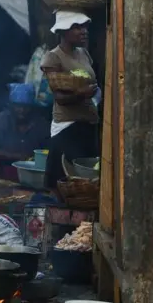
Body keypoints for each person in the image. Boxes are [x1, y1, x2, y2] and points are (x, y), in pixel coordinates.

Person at [41, 12, 100, 189]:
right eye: (77, 27)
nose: (84, 31)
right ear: (63, 31)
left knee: (88, 180)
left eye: (84, 27)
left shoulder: (83, 54)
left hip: (88, 125)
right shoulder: (53, 57)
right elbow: (59, 97)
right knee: (66, 180)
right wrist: (82, 93)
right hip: (68, 128)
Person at [0, 83, 50, 181]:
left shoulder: (41, 125)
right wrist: (15, 156)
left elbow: (48, 151)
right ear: (11, 105)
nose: (21, 110)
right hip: (2, 172)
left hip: (32, 176)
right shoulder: (1, 120)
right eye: (18, 106)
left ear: (32, 107)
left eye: (26, 106)